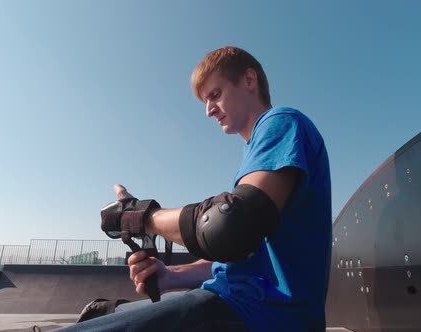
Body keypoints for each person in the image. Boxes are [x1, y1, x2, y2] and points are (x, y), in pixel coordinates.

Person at [57, 46, 332, 332]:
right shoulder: (256, 156)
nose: (208, 110)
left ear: (250, 81)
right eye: (205, 101)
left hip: (265, 317)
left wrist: (142, 216)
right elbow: (244, 255)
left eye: (215, 95)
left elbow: (229, 226)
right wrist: (172, 275)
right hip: (234, 302)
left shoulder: (283, 123)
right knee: (99, 314)